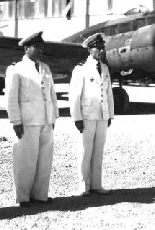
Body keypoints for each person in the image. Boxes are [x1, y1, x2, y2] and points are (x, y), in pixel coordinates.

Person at [6, 31, 59, 207]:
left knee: (44, 160)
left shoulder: (45, 67)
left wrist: (54, 117)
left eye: (42, 47)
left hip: (45, 119)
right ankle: (23, 197)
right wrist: (16, 121)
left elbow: (51, 94)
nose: (41, 50)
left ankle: (40, 195)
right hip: (27, 120)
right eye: (38, 47)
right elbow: (11, 98)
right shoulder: (17, 68)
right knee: (25, 160)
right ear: (27, 48)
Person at [69, 32, 114, 196]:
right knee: (85, 151)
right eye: (98, 48)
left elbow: (108, 93)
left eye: (103, 48)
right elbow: (74, 95)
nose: (101, 51)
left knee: (98, 151)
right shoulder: (80, 68)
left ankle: (96, 184)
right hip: (87, 115)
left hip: (102, 115)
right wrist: (77, 118)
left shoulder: (105, 68)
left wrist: (110, 115)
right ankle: (83, 185)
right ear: (90, 49)